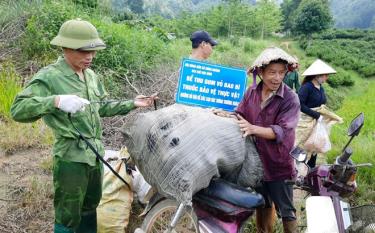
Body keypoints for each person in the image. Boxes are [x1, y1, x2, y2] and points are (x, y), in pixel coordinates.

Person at [10, 19, 157, 233]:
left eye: (93, 51)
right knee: (68, 214)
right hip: (71, 158)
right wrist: (56, 101)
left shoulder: (90, 76)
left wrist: (133, 103)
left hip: (94, 154)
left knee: (90, 208)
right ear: (65, 47)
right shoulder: (50, 77)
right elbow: (18, 109)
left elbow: (100, 108)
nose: (90, 57)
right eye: (83, 51)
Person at [235, 47, 300, 233]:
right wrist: (225, 115)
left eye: (281, 72)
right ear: (261, 72)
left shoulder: (290, 98)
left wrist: (253, 128)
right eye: (272, 72)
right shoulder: (251, 92)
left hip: (279, 164)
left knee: (287, 210)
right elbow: (240, 114)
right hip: (255, 163)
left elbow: (282, 131)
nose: (277, 78)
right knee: (262, 204)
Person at [297, 59, 337, 167]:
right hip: (305, 121)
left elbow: (321, 104)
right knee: (302, 145)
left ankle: (310, 169)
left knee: (314, 145)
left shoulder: (321, 88)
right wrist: (316, 115)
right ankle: (298, 169)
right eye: (325, 75)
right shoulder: (306, 87)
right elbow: (300, 105)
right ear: (317, 75)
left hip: (317, 122)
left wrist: (324, 114)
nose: (326, 78)